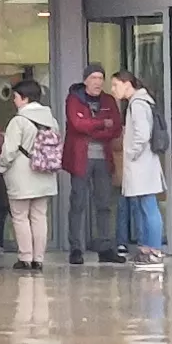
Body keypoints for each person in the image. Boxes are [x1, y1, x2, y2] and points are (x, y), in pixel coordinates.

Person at [61, 63, 123, 264]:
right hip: (80, 159)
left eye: (100, 78)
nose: (97, 82)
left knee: (104, 204)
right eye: (93, 78)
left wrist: (93, 127)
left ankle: (105, 248)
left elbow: (115, 128)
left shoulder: (108, 100)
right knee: (78, 203)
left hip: (103, 159)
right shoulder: (74, 99)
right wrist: (100, 124)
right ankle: (76, 249)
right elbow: (77, 124)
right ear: (85, 80)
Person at [0, 80, 58, 270]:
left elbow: (9, 151)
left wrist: (2, 167)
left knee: (20, 216)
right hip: (45, 173)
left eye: (15, 97)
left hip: (21, 175)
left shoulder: (19, 121)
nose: (14, 101)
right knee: (40, 216)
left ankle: (25, 257)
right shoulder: (51, 120)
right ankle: (39, 258)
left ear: (24, 98)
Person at [111, 69, 170, 268]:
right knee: (145, 207)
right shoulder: (143, 101)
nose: (113, 90)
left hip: (141, 164)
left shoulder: (137, 104)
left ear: (127, 84)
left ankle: (153, 250)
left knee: (148, 206)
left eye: (115, 85)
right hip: (145, 163)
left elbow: (142, 134)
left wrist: (131, 153)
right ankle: (146, 249)